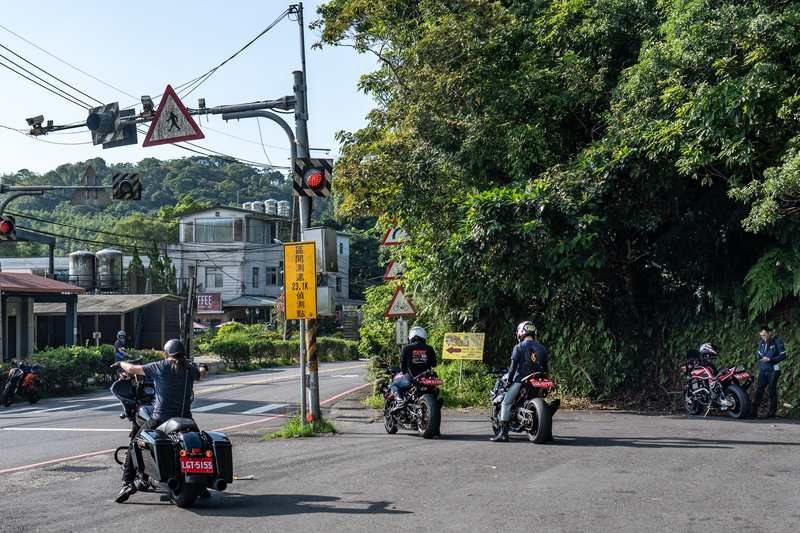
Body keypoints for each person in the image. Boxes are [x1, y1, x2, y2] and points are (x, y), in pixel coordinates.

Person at [113, 339, 208, 503]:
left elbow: (132, 368)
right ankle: (201, 485)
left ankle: (127, 482)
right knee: (200, 444)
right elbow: (201, 373)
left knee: (135, 443)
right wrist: (203, 367)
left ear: (166, 353)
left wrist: (121, 363)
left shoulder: (160, 366)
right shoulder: (190, 369)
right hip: (186, 419)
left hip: (161, 418)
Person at [491, 321, 557, 443]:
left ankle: (503, 434)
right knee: (543, 406)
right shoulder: (542, 349)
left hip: (520, 381)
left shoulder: (518, 347)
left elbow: (512, 368)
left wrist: (509, 382)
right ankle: (548, 434)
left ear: (520, 333)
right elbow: (545, 369)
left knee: (506, 403)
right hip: (537, 382)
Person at [390, 326, 437, 413]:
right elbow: (434, 364)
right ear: (424, 336)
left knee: (394, 385)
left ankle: (400, 402)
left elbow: (402, 367)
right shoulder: (429, 349)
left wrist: (404, 372)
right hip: (426, 380)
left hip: (410, 379)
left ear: (411, 337)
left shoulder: (406, 348)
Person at [748, 326, 786, 419]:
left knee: (772, 390)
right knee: (759, 390)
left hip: (773, 370)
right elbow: (759, 355)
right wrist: (761, 364)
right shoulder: (762, 343)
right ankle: (753, 411)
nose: (763, 337)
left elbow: (783, 355)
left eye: (765, 335)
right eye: (761, 335)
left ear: (769, 332)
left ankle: (772, 412)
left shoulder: (777, 342)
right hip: (763, 370)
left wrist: (770, 359)